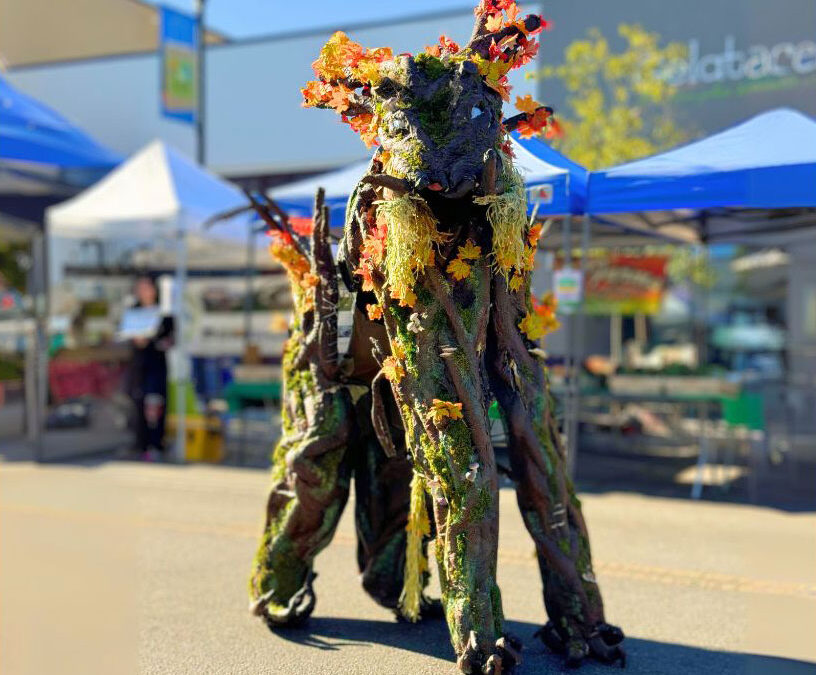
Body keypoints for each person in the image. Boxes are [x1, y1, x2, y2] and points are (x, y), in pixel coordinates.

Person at [127, 275, 174, 460]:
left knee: (156, 404)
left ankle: (157, 443)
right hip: (140, 366)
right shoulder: (133, 312)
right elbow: (127, 334)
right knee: (139, 403)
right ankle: (141, 443)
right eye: (140, 288)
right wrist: (136, 340)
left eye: (147, 287)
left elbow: (171, 339)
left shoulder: (164, 314)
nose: (144, 292)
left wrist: (155, 341)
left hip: (157, 366)